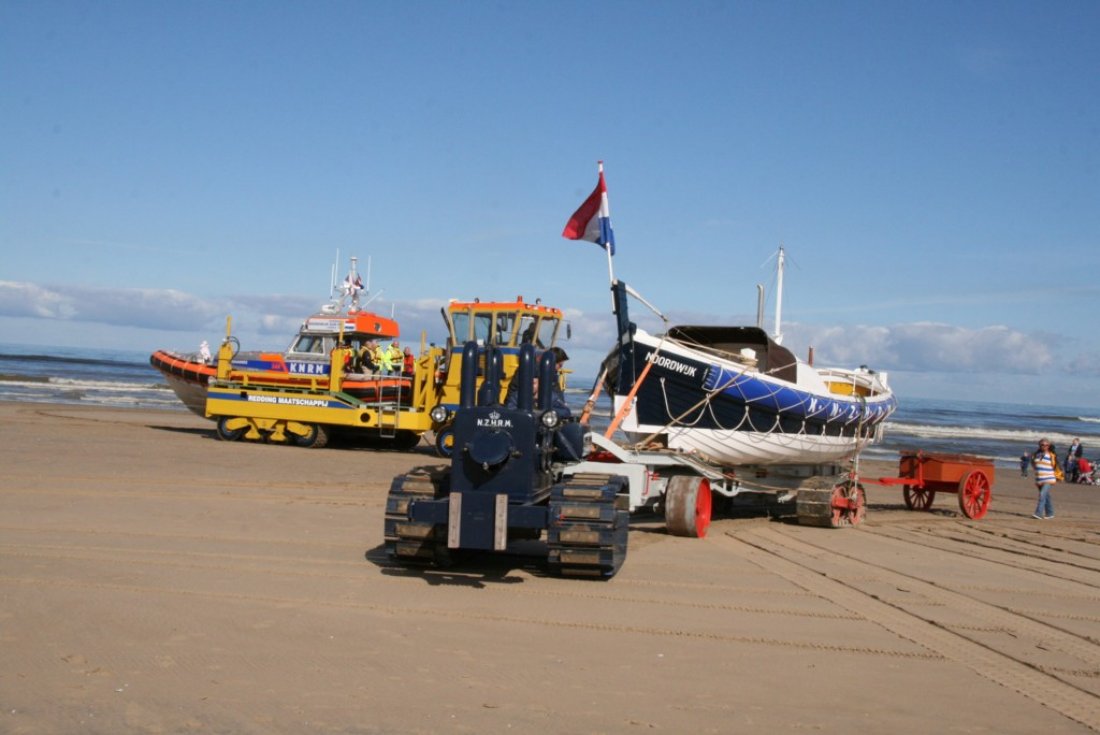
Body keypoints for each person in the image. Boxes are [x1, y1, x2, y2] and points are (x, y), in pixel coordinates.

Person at [1031, 438, 1060, 520]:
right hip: (1040, 479)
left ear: (1049, 446)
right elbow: (1034, 466)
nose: (1044, 446)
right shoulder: (1035, 455)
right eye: (1042, 445)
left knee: (1042, 495)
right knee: (1046, 496)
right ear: (1039, 445)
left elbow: (1056, 466)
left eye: (1046, 445)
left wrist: (1058, 477)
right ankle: (1050, 513)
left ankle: (1038, 513)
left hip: (1049, 478)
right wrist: (1037, 479)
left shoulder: (1051, 455)